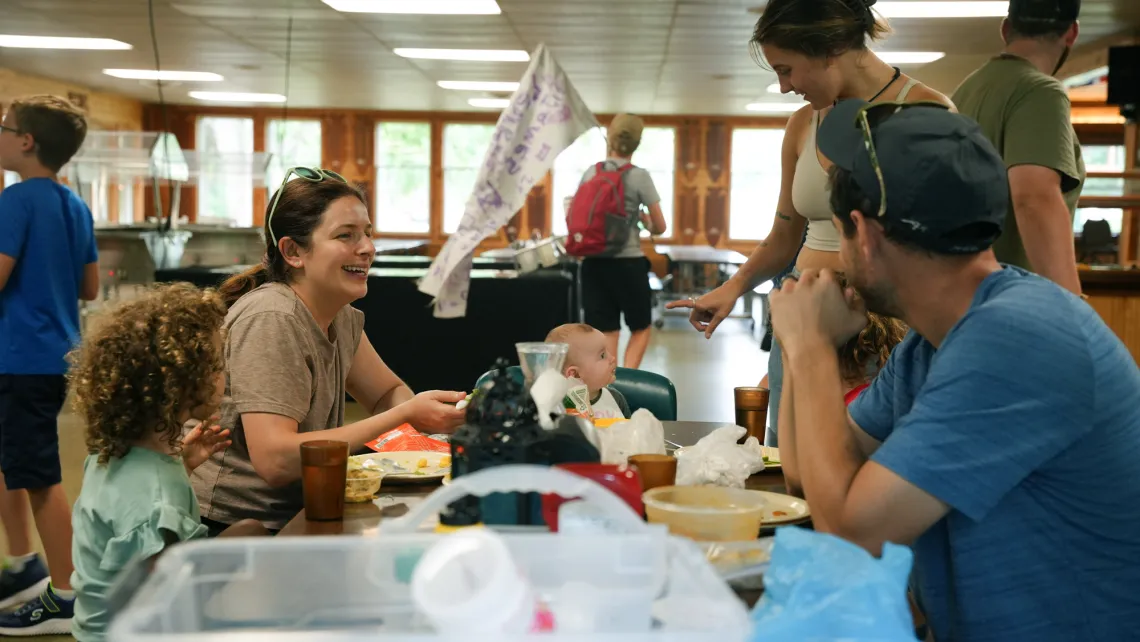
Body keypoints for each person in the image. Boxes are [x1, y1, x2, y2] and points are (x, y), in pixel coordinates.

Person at [770, 98, 1140, 641]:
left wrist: (809, 347)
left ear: (863, 234)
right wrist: (803, 346)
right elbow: (808, 476)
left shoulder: (1016, 338)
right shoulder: (933, 342)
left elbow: (852, 530)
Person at [666, 0, 952, 446]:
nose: (783, 88)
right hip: (801, 312)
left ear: (831, 48)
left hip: (881, 325)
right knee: (790, 457)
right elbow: (785, 235)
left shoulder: (926, 113)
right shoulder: (803, 124)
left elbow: (940, 250)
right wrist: (733, 286)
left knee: (864, 462)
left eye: (788, 70)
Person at [192, 170, 467, 534]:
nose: (367, 247)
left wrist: (429, 434)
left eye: (368, 233)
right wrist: (406, 414)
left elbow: (386, 393)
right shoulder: (272, 316)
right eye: (345, 236)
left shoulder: (342, 316)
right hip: (236, 527)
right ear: (293, 252)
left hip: (303, 507)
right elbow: (276, 460)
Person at [66, 284, 267, 642]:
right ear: (184, 382)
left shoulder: (110, 455)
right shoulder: (157, 503)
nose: (225, 375)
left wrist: (184, 465)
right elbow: (160, 601)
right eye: (219, 364)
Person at [0, 95, 99, 634]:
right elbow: (90, 286)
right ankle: (23, 565)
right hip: (55, 354)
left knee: (40, 479)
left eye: (4, 127)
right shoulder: (74, 204)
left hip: (21, 357)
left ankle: (65, 594)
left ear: (26, 142)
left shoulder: (15, 202)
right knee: (15, 461)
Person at [952, 0, 1084, 294]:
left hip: (961, 297)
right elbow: (1034, 197)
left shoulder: (967, 90)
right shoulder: (1041, 91)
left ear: (1006, 28)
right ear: (1072, 33)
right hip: (1016, 302)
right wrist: (1070, 308)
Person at [577, 114, 667, 370]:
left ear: (610, 140)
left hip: (593, 265)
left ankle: (609, 382)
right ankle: (628, 378)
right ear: (637, 144)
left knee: (607, 330)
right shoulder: (639, 177)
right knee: (640, 326)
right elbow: (660, 227)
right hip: (628, 264)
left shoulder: (591, 172)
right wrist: (644, 220)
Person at [546, 323, 630, 419]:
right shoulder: (558, 409)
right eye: (602, 355)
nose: (612, 358)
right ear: (575, 375)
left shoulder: (616, 399)